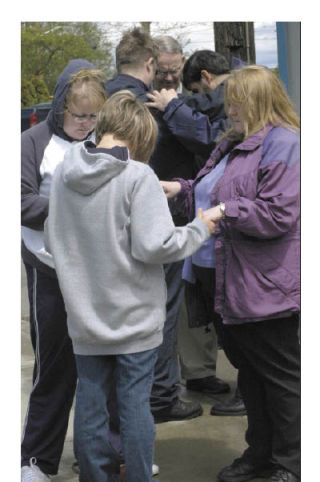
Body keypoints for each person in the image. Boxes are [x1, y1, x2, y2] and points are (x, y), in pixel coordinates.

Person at [44, 90, 215, 482]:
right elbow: (157, 245)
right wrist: (199, 229)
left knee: (89, 405)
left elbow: (54, 242)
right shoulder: (138, 176)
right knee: (135, 406)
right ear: (139, 133)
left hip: (85, 317)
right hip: (135, 318)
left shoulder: (66, 172)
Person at [160, 65, 300, 482]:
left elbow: (278, 213)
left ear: (257, 99)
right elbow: (213, 193)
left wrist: (226, 212)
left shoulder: (283, 144)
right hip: (223, 279)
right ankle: (260, 455)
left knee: (280, 379)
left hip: (264, 286)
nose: (228, 108)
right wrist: (181, 190)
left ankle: (290, 464)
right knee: (251, 375)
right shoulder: (232, 144)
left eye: (235, 100)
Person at [106, 28, 205, 423]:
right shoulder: (143, 104)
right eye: (160, 70)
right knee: (160, 310)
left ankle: (123, 409)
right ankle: (161, 398)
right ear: (150, 64)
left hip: (110, 228)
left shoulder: (102, 96)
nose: (165, 79)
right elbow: (203, 142)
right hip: (158, 220)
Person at [21, 60, 107, 481]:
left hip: (98, 273)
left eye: (93, 116)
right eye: (78, 115)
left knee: (103, 368)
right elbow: (19, 202)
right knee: (53, 368)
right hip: (49, 272)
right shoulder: (31, 142)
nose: (85, 124)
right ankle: (37, 459)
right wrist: (70, 209)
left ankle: (108, 455)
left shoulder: (104, 140)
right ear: (59, 108)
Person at [148, 46, 233, 400]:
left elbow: (211, 136)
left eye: (173, 70)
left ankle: (199, 373)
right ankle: (185, 377)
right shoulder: (154, 101)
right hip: (178, 209)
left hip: (199, 211)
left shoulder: (199, 102)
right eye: (162, 71)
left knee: (200, 296)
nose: (168, 78)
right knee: (185, 299)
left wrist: (175, 108)